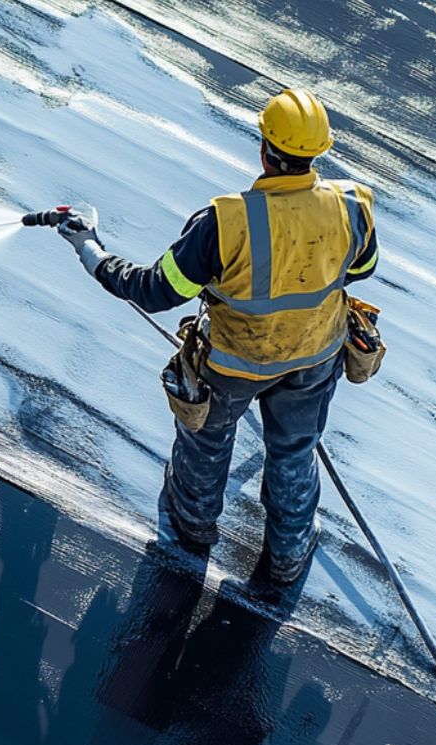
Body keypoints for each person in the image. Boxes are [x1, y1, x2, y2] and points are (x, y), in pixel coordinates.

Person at [48, 88, 379, 585]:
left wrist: (88, 247)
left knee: (206, 444)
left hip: (234, 364)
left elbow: (154, 290)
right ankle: (287, 559)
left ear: (265, 148)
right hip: (316, 355)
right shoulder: (352, 204)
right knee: (294, 452)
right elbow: (362, 269)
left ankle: (192, 531)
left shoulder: (224, 222)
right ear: (318, 152)